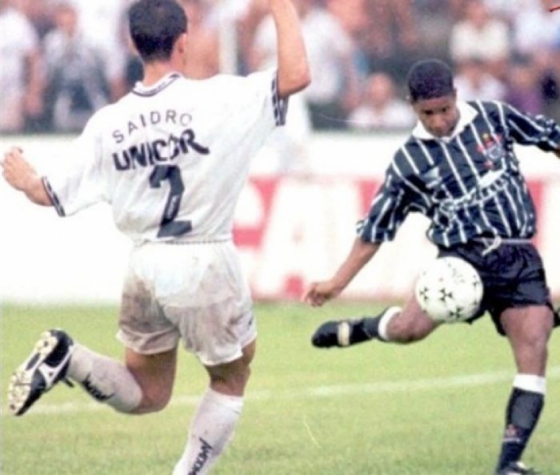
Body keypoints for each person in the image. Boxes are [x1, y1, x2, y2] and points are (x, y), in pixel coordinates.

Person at [2, 1, 310, 475]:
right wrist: (281, 6)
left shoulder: (109, 124)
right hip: (202, 257)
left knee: (147, 392)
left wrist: (23, 178)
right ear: (184, 42)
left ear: (132, 44)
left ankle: (70, 357)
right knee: (233, 373)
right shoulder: (220, 99)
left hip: (144, 264)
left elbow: (49, 195)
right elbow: (295, 76)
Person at [303, 59, 560, 475]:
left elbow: (549, 136)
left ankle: (509, 465)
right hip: (462, 263)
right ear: (412, 107)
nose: (439, 121)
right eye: (428, 113)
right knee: (409, 331)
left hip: (517, 255)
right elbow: (375, 230)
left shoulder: (493, 116)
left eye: (445, 109)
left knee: (534, 345)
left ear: (456, 96)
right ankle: (365, 328)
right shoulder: (408, 162)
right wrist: (336, 281)